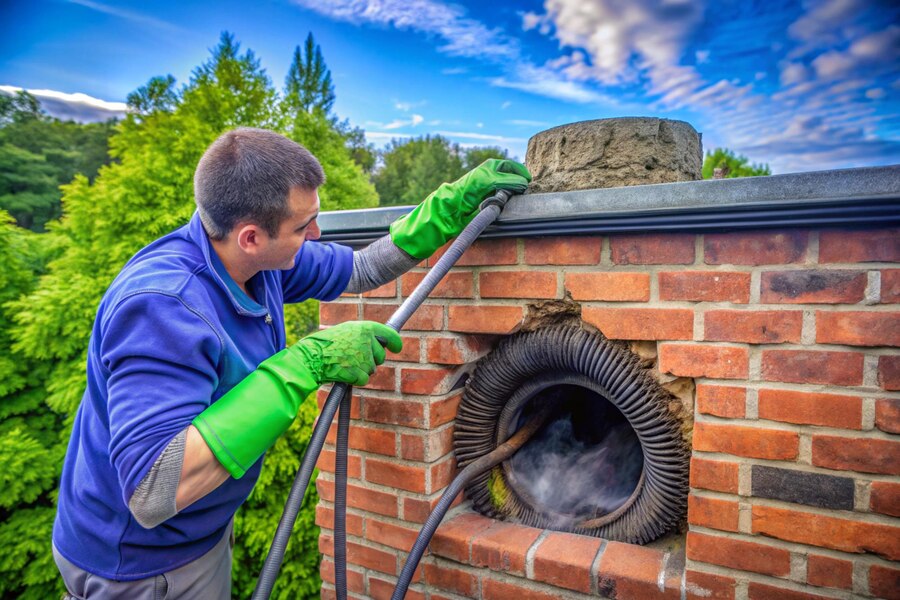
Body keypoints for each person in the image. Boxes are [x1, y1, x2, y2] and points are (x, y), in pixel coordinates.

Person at [51, 127, 530, 599]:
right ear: (252, 236)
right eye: (304, 227)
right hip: (138, 565)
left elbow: (361, 268)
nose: (316, 235)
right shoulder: (162, 307)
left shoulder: (257, 263)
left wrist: (445, 211)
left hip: (197, 535)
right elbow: (153, 490)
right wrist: (304, 363)